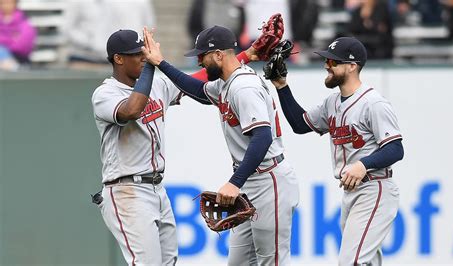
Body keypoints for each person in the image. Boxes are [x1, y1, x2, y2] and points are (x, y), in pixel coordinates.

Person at [91, 20, 281, 265]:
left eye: (144, 53)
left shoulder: (157, 84)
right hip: (127, 190)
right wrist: (152, 64)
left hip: (156, 188)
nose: (143, 57)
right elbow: (132, 110)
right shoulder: (105, 93)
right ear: (118, 59)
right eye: (137, 55)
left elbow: (196, 82)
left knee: (169, 261)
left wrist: (247, 55)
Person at [141, 25, 300, 265]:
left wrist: (235, 183)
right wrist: (161, 63)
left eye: (202, 55)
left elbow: (262, 137)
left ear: (218, 55)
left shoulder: (243, 86)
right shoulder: (227, 82)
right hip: (251, 179)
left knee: (273, 261)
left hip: (270, 180)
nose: (199, 62)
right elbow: (197, 90)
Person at [269, 37, 403, 265]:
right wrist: (281, 86)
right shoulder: (332, 102)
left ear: (352, 66)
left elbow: (395, 149)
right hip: (352, 192)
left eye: (333, 61)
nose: (326, 65)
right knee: (366, 261)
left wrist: (363, 165)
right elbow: (300, 124)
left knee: (351, 261)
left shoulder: (373, 103)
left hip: (375, 188)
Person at [64, 0, 156, 64]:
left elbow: (148, 24)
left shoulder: (141, 2)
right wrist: (90, 43)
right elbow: (67, 29)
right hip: (84, 57)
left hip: (117, 56)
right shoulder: (77, 2)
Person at [0, 0, 37, 70]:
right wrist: (12, 39)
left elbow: (23, 46)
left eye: (8, 3)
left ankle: (13, 67)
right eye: (2, 3)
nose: (5, 6)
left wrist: (4, 43)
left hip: (19, 59)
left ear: (15, 3)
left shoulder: (24, 22)